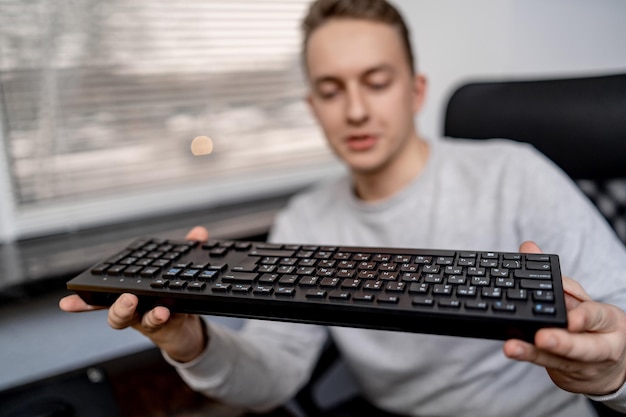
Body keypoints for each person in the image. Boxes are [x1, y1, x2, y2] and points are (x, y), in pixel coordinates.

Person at [60, 0, 626, 415]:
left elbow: (617, 312)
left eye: (376, 82)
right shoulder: (304, 220)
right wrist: (193, 344)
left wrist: (613, 370)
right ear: (314, 107)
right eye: (331, 90)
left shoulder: (514, 172)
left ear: (416, 90)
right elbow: (275, 374)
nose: (354, 110)